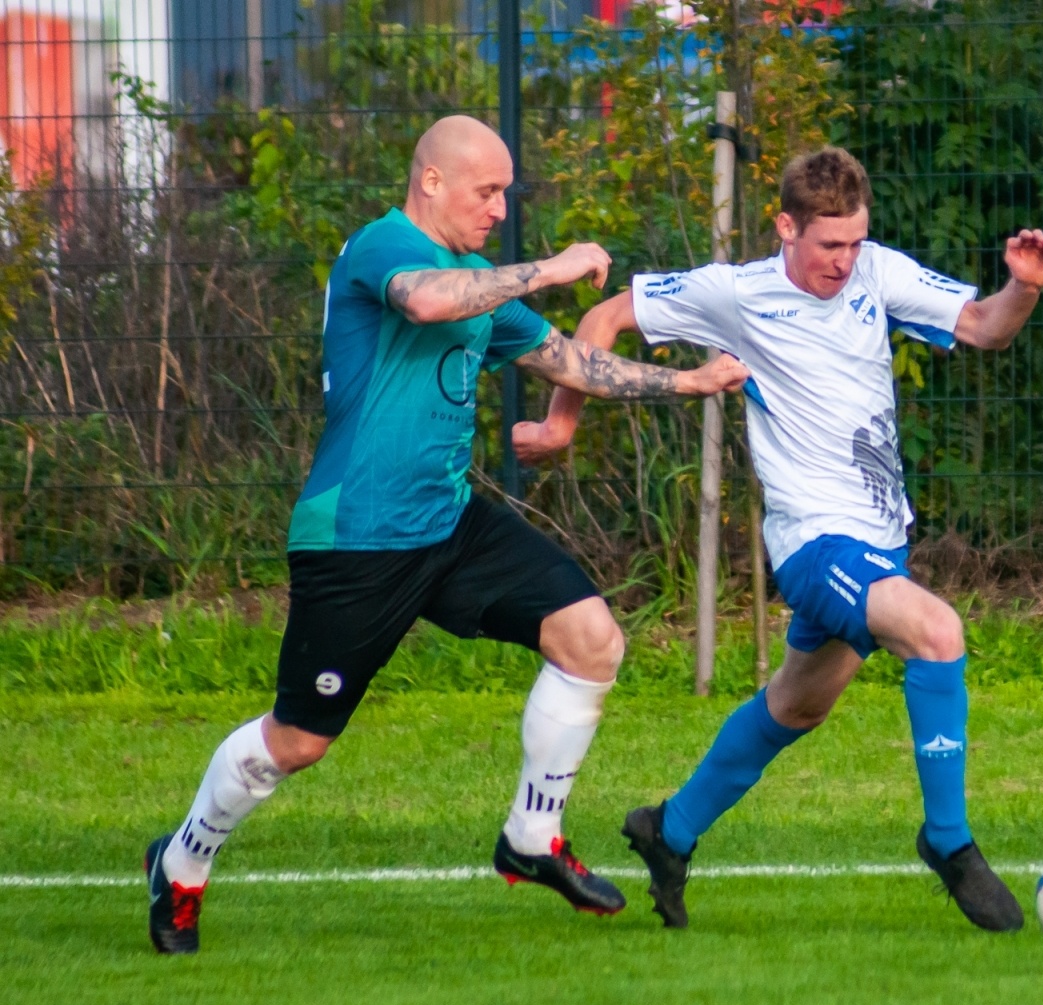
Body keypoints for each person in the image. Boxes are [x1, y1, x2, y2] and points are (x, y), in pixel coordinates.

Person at [143, 115, 748, 955]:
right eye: (487, 191)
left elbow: (570, 363)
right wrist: (556, 267)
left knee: (590, 638)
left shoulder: (479, 280)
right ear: (431, 181)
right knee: (298, 742)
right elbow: (428, 300)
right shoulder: (382, 249)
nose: (500, 208)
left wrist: (694, 380)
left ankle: (531, 839)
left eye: (506, 194)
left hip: (449, 520)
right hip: (357, 536)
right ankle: (181, 862)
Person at [515, 146, 1043, 932]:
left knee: (798, 706)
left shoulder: (877, 272)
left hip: (879, 539)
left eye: (853, 242)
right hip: (813, 543)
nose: (843, 261)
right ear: (785, 227)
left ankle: (667, 833)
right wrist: (561, 423)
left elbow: (983, 329)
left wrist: (1024, 287)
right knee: (938, 633)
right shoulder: (737, 292)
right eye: (827, 245)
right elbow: (606, 317)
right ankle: (948, 840)